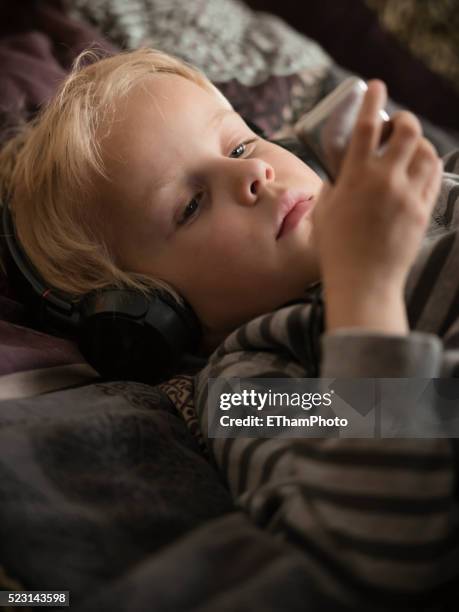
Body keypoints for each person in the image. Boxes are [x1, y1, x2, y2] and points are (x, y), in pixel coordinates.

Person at [1, 48, 459, 609]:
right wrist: (366, 287)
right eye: (191, 205)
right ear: (152, 313)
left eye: (240, 145)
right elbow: (384, 536)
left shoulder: (418, 192)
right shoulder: (257, 377)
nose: (251, 173)